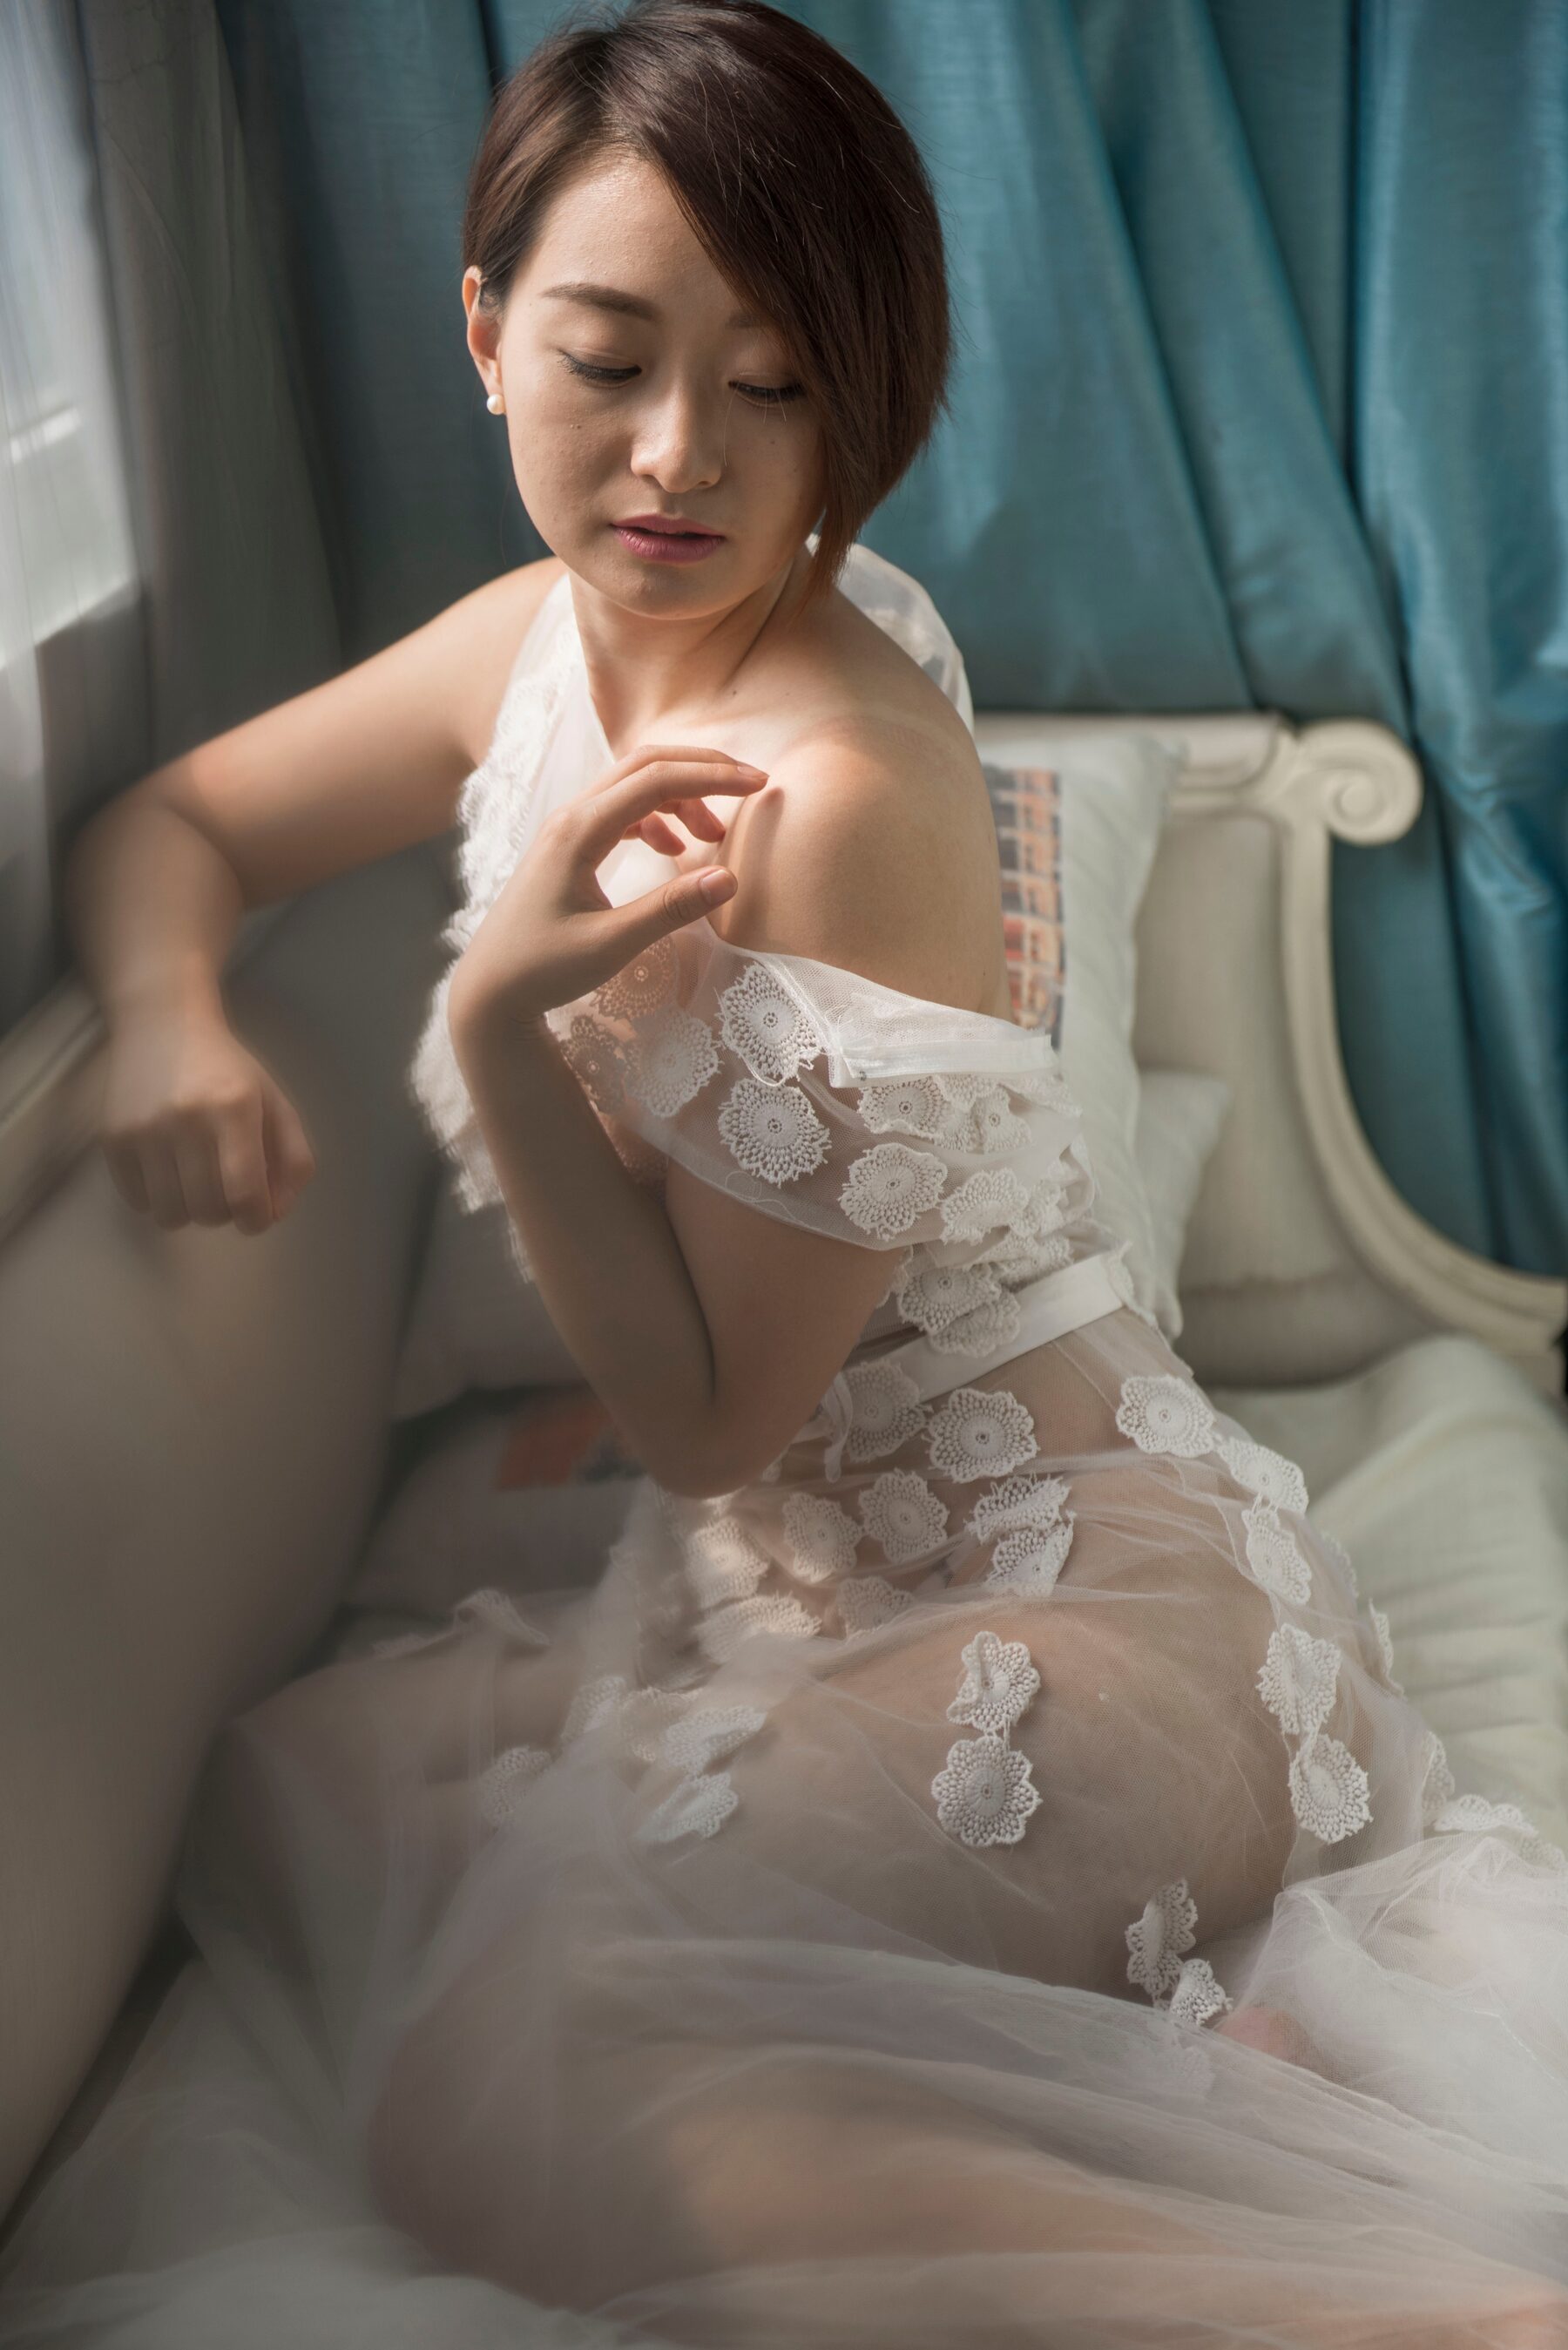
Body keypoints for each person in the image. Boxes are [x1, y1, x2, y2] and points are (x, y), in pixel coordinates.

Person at [13, 3, 1568, 2343]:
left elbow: (716, 1421)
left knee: (520, 2065)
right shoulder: (534, 644)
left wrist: (499, 1033)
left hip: (1102, 1603)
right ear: (484, 333)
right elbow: (178, 825)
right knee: (298, 1798)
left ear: (868, 401)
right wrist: (164, 1014)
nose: (681, 456)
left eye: (776, 384)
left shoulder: (836, 790)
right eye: (609, 359)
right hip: (811, 1606)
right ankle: (1121, 2069)